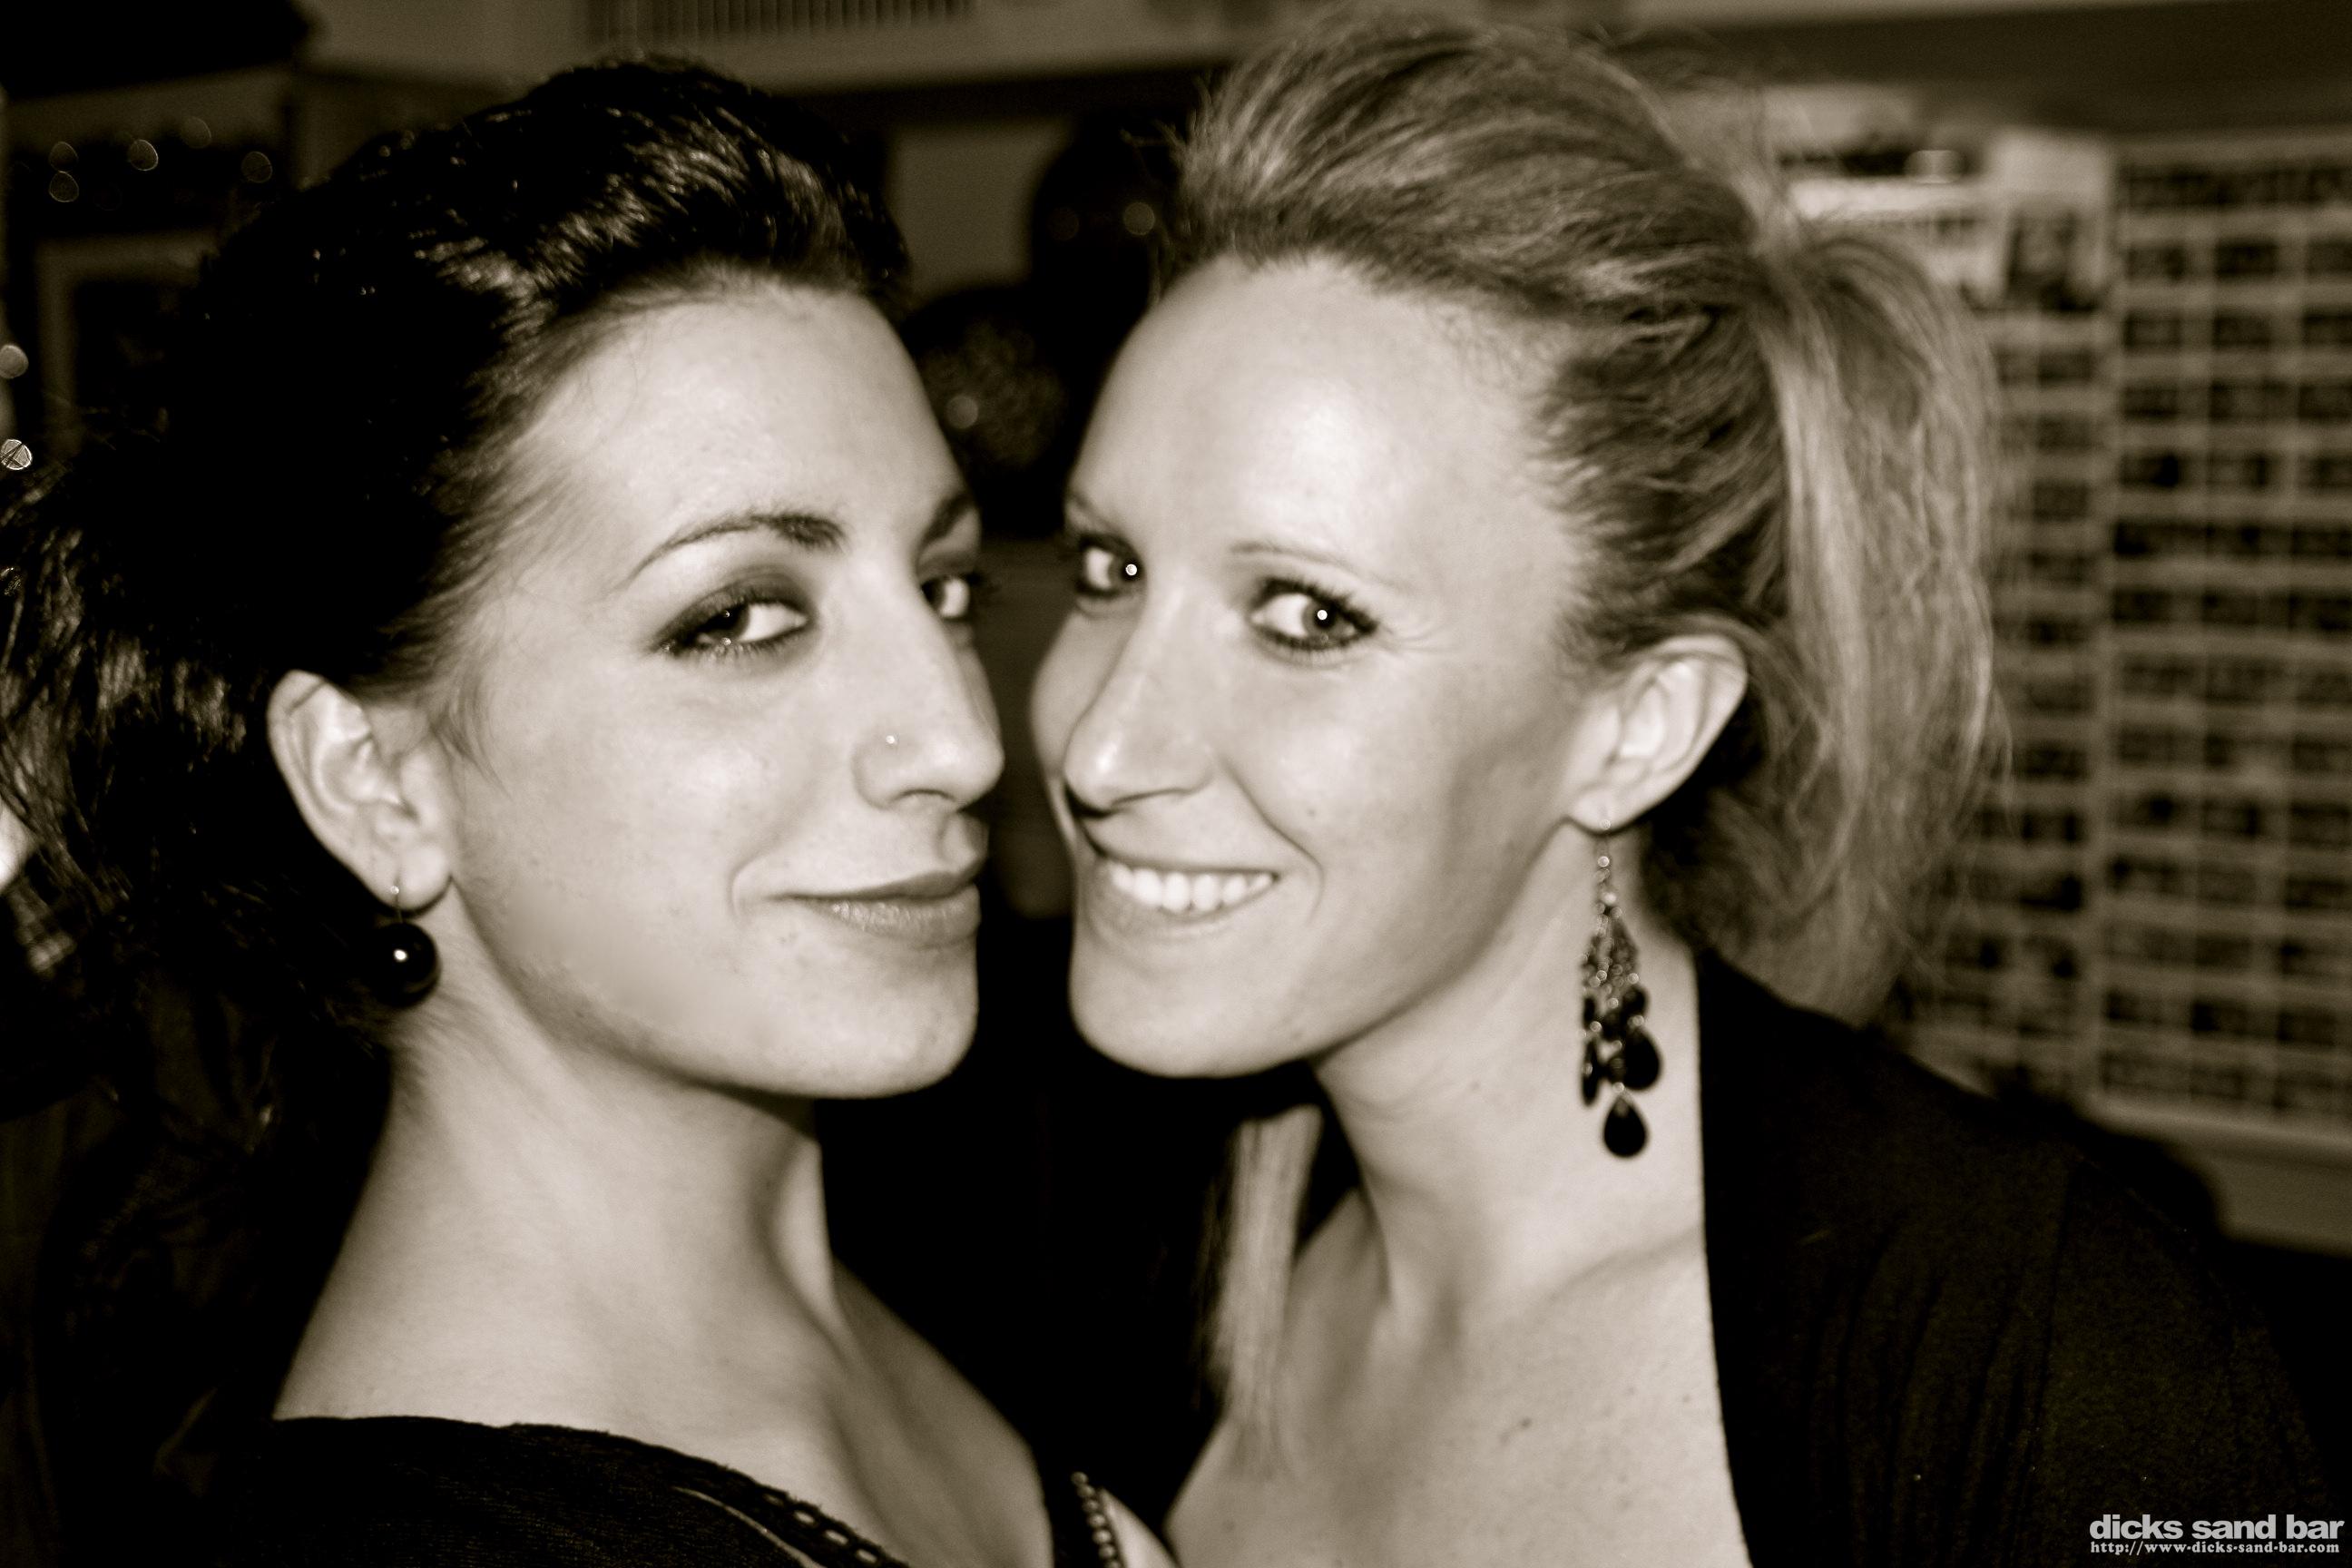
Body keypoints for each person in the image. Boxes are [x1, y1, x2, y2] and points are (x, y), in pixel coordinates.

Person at [1029, 19, 2335, 1567]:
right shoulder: (1123, 1249)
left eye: (1309, 616)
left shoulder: (2064, 1359)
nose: (1100, 748)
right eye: (1111, 569)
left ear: (1640, 727)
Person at [0, 63, 1166, 1568]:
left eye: (941, 587)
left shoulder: (941, 1286)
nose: (960, 739)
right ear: (374, 782)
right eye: (738, 619)